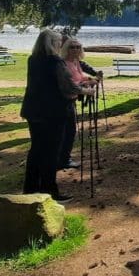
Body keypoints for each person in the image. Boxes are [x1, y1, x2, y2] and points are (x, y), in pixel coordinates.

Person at [20, 29, 93, 203]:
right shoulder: (55, 62)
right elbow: (68, 86)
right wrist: (86, 91)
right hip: (53, 112)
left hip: (33, 111)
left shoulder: (33, 60)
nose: (61, 44)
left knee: (36, 150)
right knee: (51, 152)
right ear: (53, 43)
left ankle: (30, 189)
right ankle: (50, 191)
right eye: (59, 42)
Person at [58, 38, 102, 169]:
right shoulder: (64, 64)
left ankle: (64, 158)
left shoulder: (76, 61)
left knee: (70, 131)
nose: (76, 49)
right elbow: (69, 84)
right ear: (66, 49)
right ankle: (63, 159)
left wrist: (90, 79)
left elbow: (80, 77)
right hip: (63, 101)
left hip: (72, 99)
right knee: (68, 131)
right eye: (72, 47)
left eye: (78, 47)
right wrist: (86, 87)